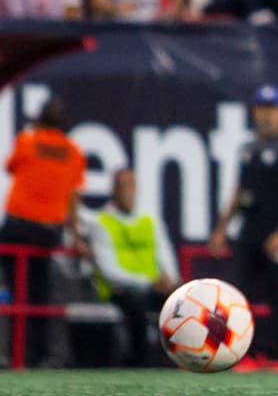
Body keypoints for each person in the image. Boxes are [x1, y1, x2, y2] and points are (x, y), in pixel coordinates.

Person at [209, 85, 278, 363]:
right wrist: (221, 228)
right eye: (262, 109)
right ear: (254, 112)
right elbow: (240, 192)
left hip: (275, 232)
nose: (267, 115)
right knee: (235, 293)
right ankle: (237, 352)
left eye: (272, 109)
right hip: (249, 232)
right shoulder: (249, 149)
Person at [0, 98, 85, 367]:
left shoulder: (27, 140)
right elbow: (73, 197)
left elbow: (9, 166)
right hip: (48, 232)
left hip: (19, 227)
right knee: (39, 293)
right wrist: (75, 234)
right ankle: (36, 357)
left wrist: (33, 131)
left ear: (39, 120)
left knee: (14, 292)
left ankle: (12, 354)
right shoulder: (73, 151)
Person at [77, 168, 179, 366]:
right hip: (119, 290)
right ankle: (140, 361)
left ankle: (178, 357)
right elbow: (109, 270)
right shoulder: (102, 222)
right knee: (136, 302)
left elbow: (165, 254)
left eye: (131, 186)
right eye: (123, 186)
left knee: (181, 299)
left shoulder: (150, 220)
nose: (128, 191)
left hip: (154, 286)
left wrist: (171, 280)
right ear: (114, 190)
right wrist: (149, 282)